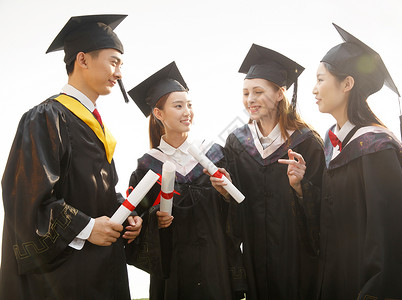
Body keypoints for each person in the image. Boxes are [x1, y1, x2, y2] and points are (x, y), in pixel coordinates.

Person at [0, 14, 142, 300]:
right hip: (65, 277)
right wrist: (88, 228)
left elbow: (93, 191)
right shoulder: (46, 117)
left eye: (121, 65)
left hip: (101, 268)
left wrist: (126, 215)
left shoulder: (95, 125)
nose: (119, 73)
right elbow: (27, 197)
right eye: (114, 61)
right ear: (83, 59)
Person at [312, 23, 402, 300]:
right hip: (335, 279)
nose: (314, 89)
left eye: (320, 79)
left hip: (365, 288)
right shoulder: (333, 144)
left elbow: (390, 239)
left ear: (347, 84)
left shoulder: (377, 148)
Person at [210, 44, 325, 300]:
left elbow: (327, 209)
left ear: (280, 93)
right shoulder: (237, 143)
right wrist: (226, 192)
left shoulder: (306, 142)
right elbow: (235, 211)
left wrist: (300, 187)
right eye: (246, 93)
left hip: (297, 262)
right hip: (254, 259)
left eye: (258, 92)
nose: (250, 99)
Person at [125, 61, 246, 300]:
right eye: (178, 106)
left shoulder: (214, 155)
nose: (187, 111)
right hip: (174, 274)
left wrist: (226, 195)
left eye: (189, 105)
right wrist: (153, 220)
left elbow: (238, 218)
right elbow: (135, 225)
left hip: (216, 269)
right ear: (158, 114)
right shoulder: (147, 167)